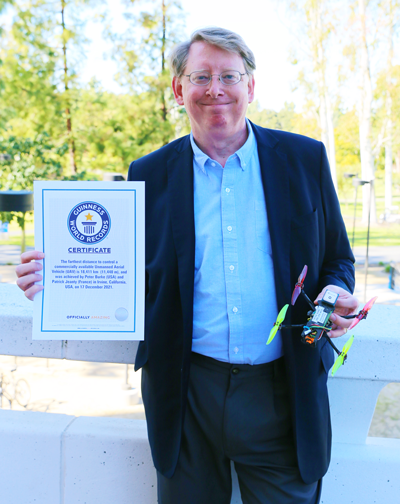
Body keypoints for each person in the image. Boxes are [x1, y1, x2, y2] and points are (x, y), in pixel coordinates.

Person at [16, 27, 358, 504]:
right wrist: (59, 277)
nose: (215, 89)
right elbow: (126, 273)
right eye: (200, 76)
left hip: (284, 390)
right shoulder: (149, 174)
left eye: (229, 76)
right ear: (179, 90)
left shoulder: (304, 159)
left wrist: (334, 292)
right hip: (185, 392)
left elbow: (338, 259)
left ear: (250, 87)